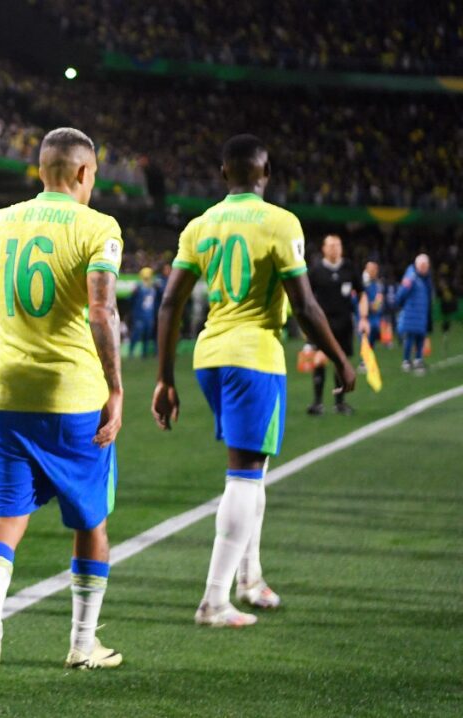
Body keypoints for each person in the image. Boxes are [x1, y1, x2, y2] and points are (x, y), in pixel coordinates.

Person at [153, 134, 355, 628]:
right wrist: (340, 359)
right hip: (254, 357)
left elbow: (170, 304)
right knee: (244, 475)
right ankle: (214, 600)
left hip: (209, 357)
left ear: (224, 173)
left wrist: (164, 379)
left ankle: (250, 578)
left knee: (253, 470)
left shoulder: (200, 225)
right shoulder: (280, 222)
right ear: (266, 174)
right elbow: (305, 306)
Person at [0, 127, 125, 692]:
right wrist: (117, 389)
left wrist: (9, 330)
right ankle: (82, 644)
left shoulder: (0, 221)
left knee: (6, 517)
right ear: (82, 173)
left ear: (40, 169)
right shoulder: (98, 226)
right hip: (72, 398)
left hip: (6, 397)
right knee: (91, 520)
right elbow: (101, 312)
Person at [306, 234, 368, 416]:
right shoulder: (316, 271)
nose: (334, 248)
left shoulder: (349, 268)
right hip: (322, 324)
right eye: (331, 245)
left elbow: (362, 293)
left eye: (338, 245)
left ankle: (339, 403)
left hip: (344, 324)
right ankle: (317, 403)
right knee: (319, 359)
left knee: (341, 362)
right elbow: (306, 297)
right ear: (323, 248)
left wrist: (363, 318)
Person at [396, 253, 433, 374]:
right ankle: (406, 361)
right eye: (422, 265)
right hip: (411, 314)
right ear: (417, 265)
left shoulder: (427, 279)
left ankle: (418, 359)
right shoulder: (411, 277)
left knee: (420, 338)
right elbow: (401, 294)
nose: (424, 267)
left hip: (422, 314)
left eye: (426, 265)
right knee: (410, 338)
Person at [128, 267, 158, 357]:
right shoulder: (138, 287)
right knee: (136, 334)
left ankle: (144, 353)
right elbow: (130, 300)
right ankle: (131, 352)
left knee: (147, 335)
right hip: (139, 315)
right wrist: (133, 293)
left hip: (149, 316)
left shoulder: (153, 288)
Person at [362, 260, 384, 351]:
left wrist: (376, 305)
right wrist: (367, 306)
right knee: (366, 336)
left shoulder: (378, 284)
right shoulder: (363, 284)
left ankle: (368, 358)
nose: (373, 271)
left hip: (375, 315)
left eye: (374, 269)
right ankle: (365, 361)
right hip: (365, 315)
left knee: (373, 335)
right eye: (370, 269)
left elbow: (380, 297)